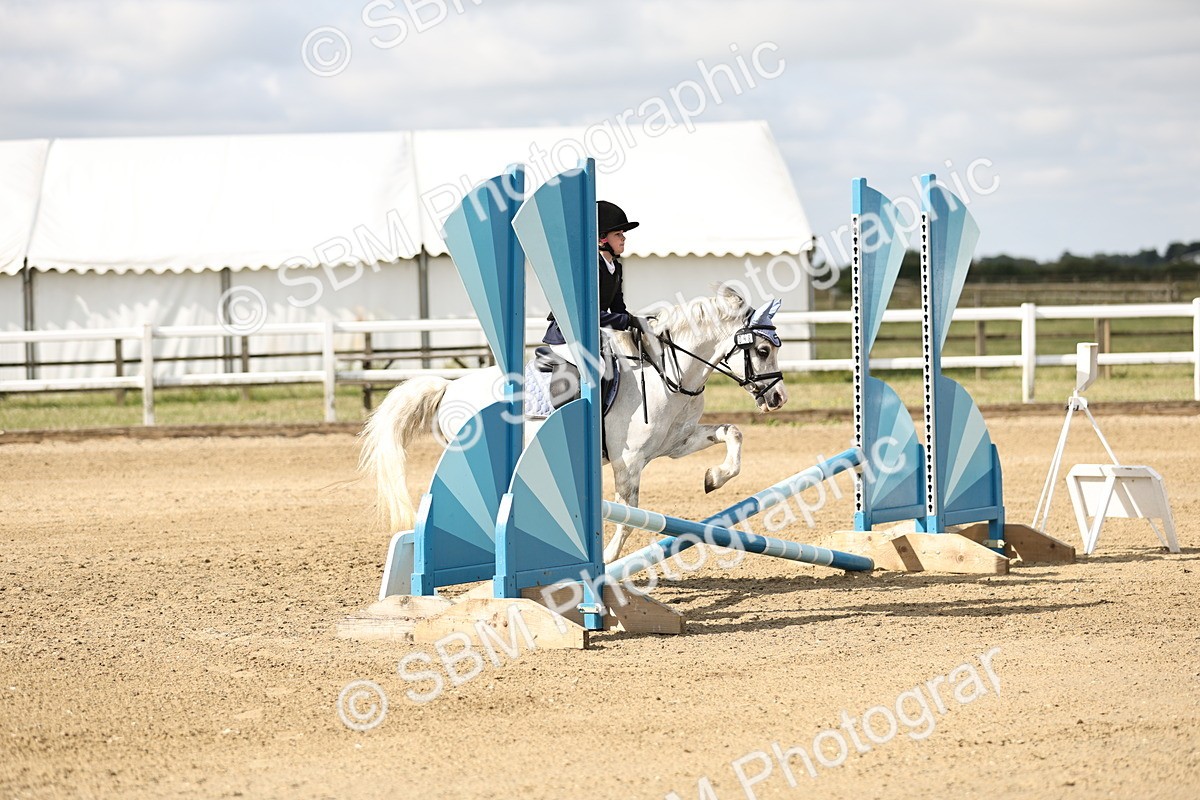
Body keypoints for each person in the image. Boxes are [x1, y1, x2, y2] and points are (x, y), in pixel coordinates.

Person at [541, 200, 650, 345]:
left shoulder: (616, 268)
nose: (623, 238)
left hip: (590, 334)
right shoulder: (589, 268)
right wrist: (627, 320)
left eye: (622, 234)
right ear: (601, 239)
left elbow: (618, 307)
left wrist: (639, 324)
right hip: (566, 335)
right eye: (617, 234)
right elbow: (587, 314)